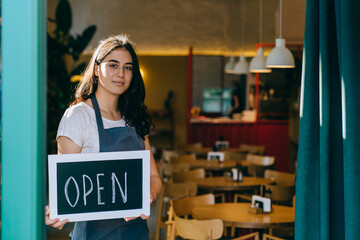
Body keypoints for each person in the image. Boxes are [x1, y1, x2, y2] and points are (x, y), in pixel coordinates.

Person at [45, 34, 162, 239]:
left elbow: (154, 178)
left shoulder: (134, 118)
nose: (121, 74)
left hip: (135, 233)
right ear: (97, 69)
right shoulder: (78, 117)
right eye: (113, 65)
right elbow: (68, 188)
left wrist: (148, 195)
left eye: (128, 67)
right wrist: (57, 210)